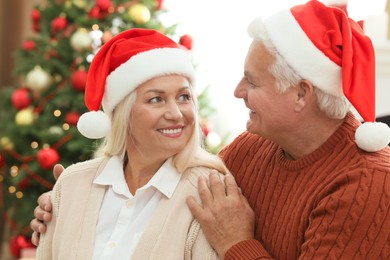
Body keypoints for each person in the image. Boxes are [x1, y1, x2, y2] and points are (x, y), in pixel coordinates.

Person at [32, 1, 390, 259]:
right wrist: (69, 201)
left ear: (301, 94)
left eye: (252, 82)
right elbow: (176, 179)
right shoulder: (252, 148)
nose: (237, 92)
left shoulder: (368, 186)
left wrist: (236, 243)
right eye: (156, 99)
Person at [34, 27, 230, 259]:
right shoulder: (71, 184)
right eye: (156, 99)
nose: (176, 113)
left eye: (184, 97)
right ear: (123, 113)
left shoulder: (208, 192)